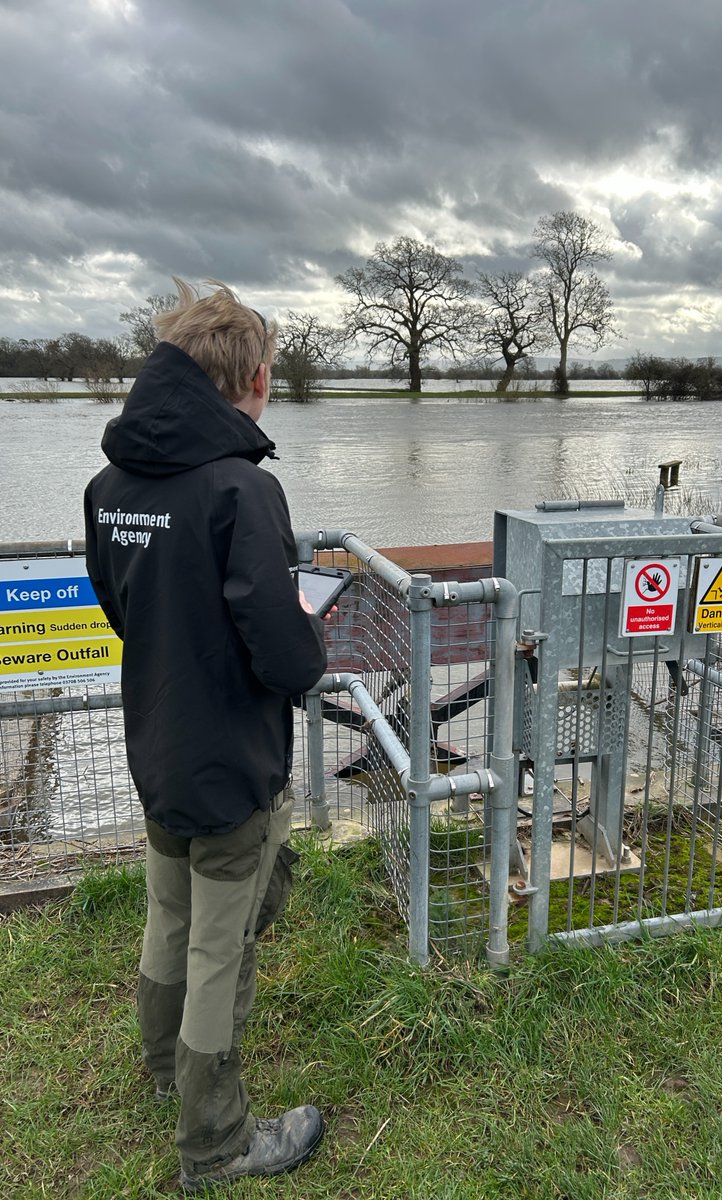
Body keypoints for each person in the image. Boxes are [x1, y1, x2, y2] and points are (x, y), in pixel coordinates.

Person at [83, 279, 328, 1191]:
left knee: (169, 912)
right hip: (231, 758)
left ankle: (163, 1070)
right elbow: (286, 655)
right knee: (222, 940)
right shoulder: (241, 489)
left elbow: (124, 606)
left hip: (156, 741)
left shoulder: (108, 487)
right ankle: (216, 1142)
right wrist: (310, 629)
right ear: (256, 379)